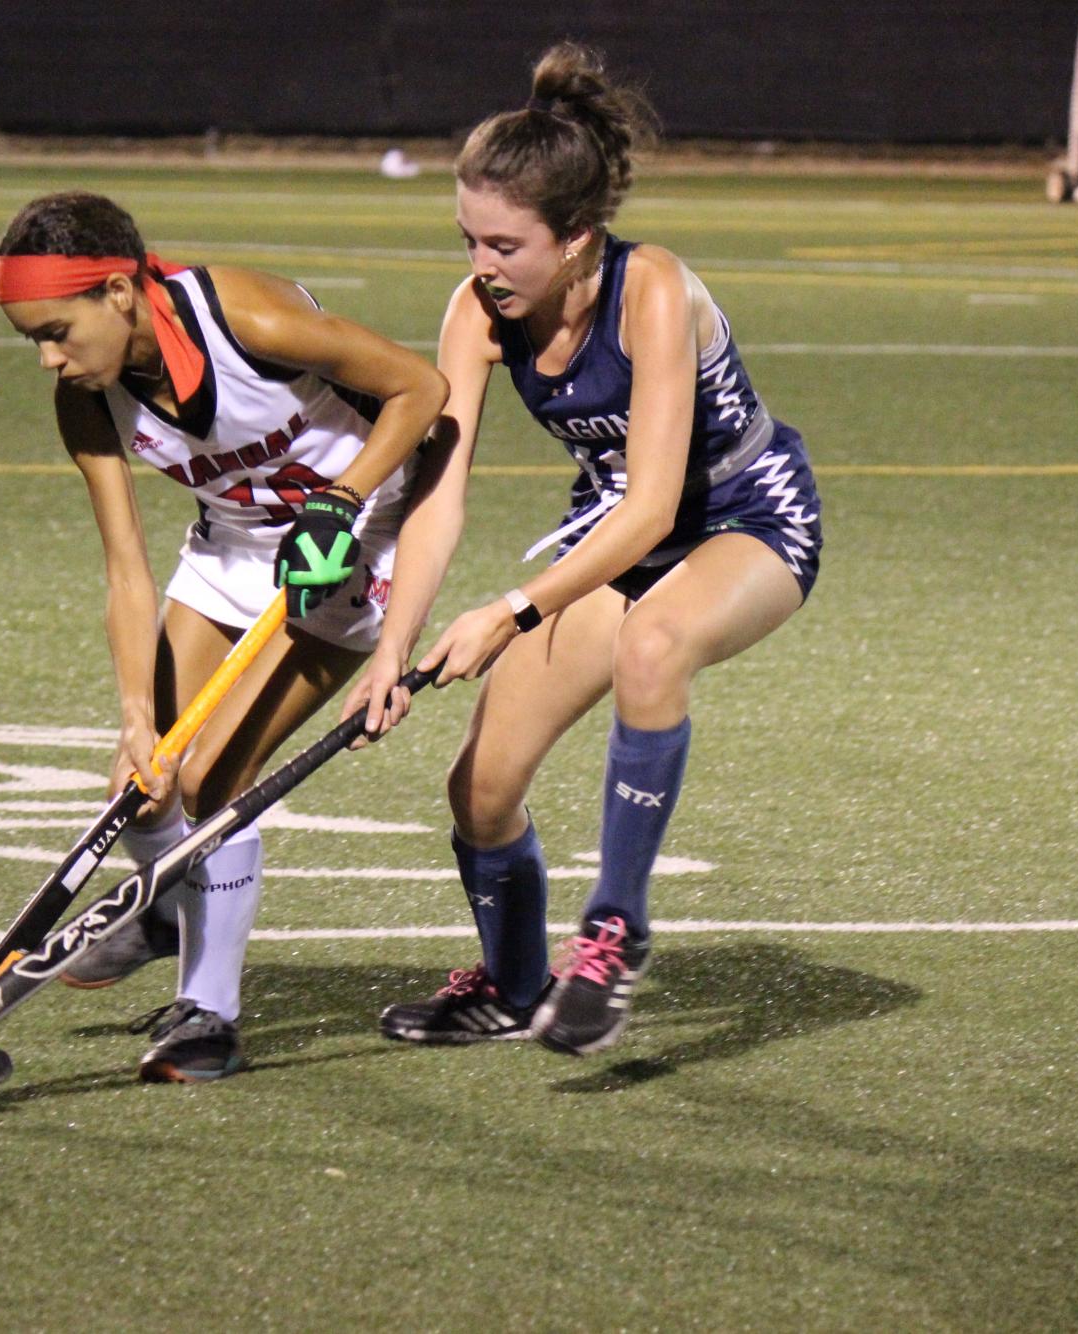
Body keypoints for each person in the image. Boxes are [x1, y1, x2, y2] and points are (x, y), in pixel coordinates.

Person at [349, 43, 824, 1056]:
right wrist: (395, 643)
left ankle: (612, 936)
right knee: (479, 786)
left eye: (505, 244)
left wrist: (511, 610)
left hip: (745, 517)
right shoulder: (477, 313)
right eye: (470, 236)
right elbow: (440, 497)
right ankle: (514, 987)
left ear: (575, 238)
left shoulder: (650, 287)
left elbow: (656, 509)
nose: (482, 263)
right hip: (610, 535)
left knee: (654, 645)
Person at [0, 192, 448, 1081]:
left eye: (56, 330)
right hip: (231, 548)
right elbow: (126, 572)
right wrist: (134, 716)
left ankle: (211, 1013)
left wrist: (345, 498)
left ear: (119, 293)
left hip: (353, 545)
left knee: (209, 781)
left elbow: (420, 390)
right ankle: (172, 909)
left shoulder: (242, 315)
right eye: (31, 341)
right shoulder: (85, 402)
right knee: (146, 780)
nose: (50, 358)